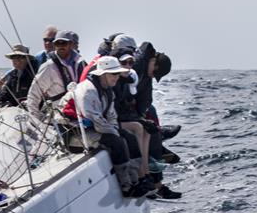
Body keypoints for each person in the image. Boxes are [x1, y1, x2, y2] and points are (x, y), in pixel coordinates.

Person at [74, 56, 151, 198]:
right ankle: (126, 187)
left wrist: (115, 128)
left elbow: (111, 115)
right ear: (103, 74)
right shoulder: (87, 91)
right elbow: (94, 118)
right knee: (117, 142)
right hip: (77, 133)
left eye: (118, 73)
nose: (117, 77)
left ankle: (137, 180)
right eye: (114, 74)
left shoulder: (108, 89)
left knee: (129, 137)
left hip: (98, 128)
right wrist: (114, 132)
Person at [133, 43, 182, 199]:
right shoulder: (137, 66)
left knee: (150, 120)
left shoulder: (145, 70)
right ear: (153, 62)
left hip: (131, 111)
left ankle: (159, 139)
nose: (153, 76)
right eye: (155, 73)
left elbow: (145, 99)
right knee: (148, 130)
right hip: (121, 112)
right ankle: (155, 182)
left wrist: (142, 115)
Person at [26, 30, 86, 121]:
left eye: (64, 43)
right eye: (58, 43)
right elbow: (33, 94)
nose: (61, 46)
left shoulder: (81, 63)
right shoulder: (49, 67)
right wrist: (36, 119)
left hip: (82, 113)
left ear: (71, 44)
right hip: (60, 116)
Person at [0, 25, 56, 90]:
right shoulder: (40, 56)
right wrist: (5, 77)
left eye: (51, 40)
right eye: (45, 40)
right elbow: (20, 67)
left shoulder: (65, 57)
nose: (47, 43)